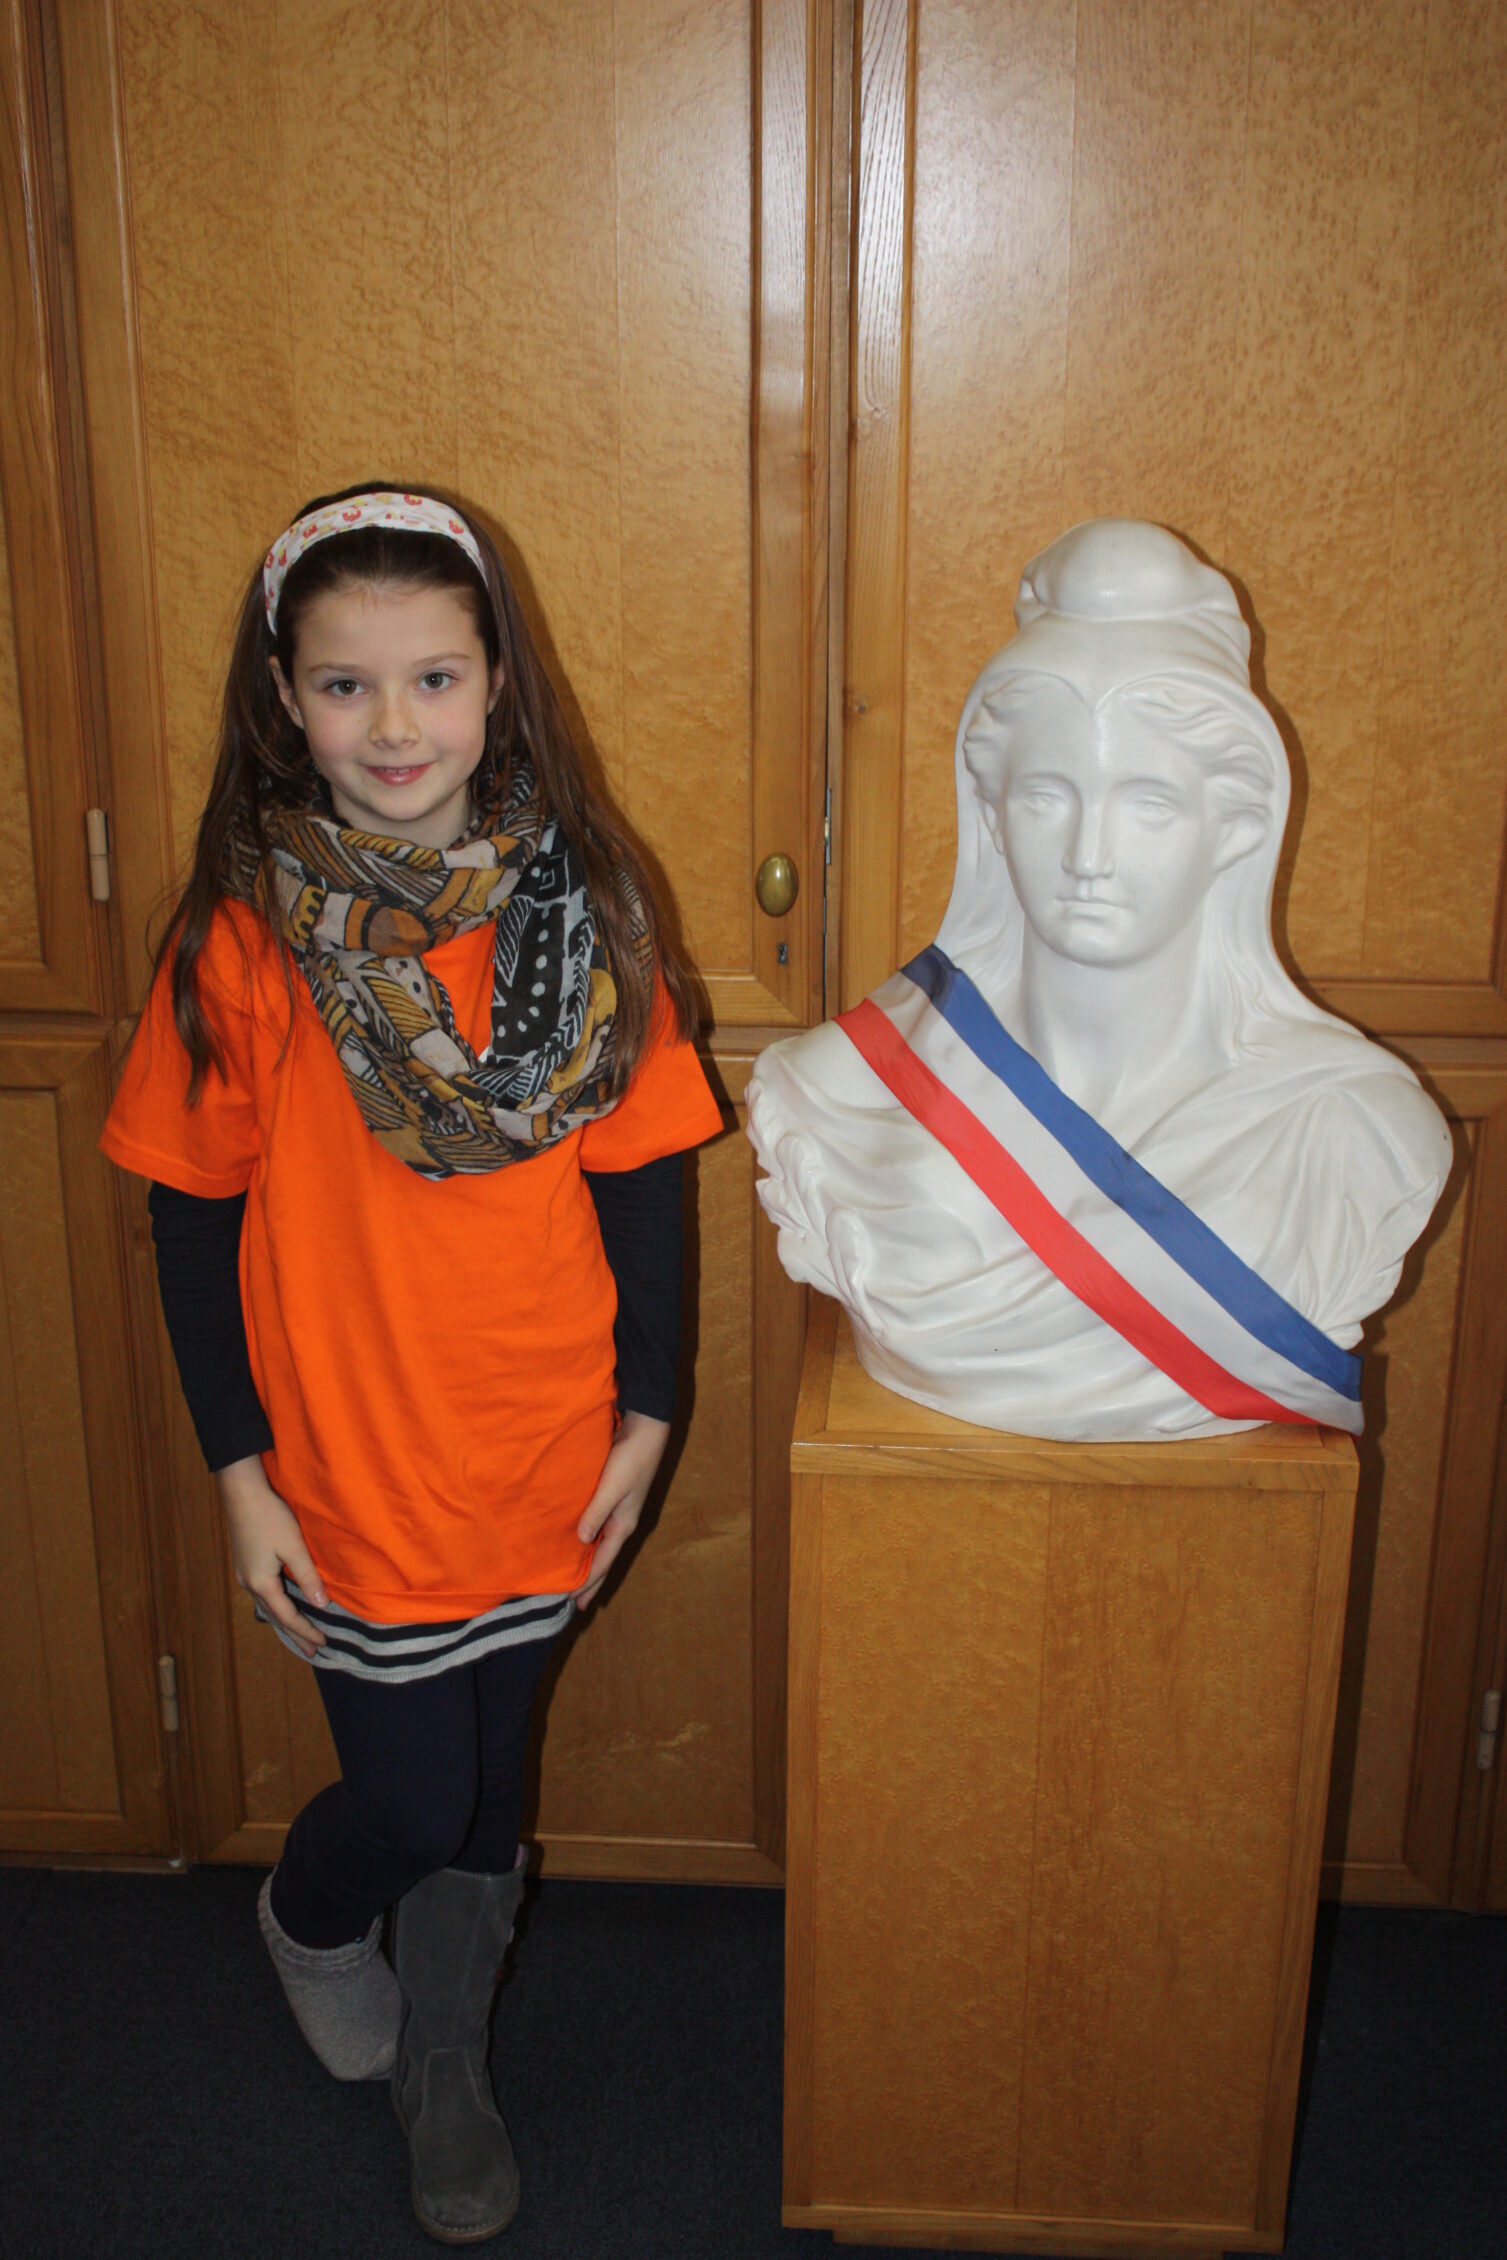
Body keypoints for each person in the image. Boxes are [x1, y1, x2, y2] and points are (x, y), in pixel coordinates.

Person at [101, 485, 723, 2242]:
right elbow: (190, 1221)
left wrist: (652, 1412)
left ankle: (446, 2061)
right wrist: (239, 1476)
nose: (394, 725)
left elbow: (646, 1176)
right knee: (410, 1793)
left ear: (497, 683)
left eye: (434, 678)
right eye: (345, 683)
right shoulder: (242, 940)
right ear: (283, 698)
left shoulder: (591, 911)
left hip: (542, 1439)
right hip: (347, 1463)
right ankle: (309, 1919)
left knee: (491, 1784)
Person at [748, 519, 1451, 1441]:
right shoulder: (839, 1096)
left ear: (1235, 828)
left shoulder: (1349, 1129)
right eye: (1046, 797)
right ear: (991, 815)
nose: (1088, 856)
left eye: (1148, 803)